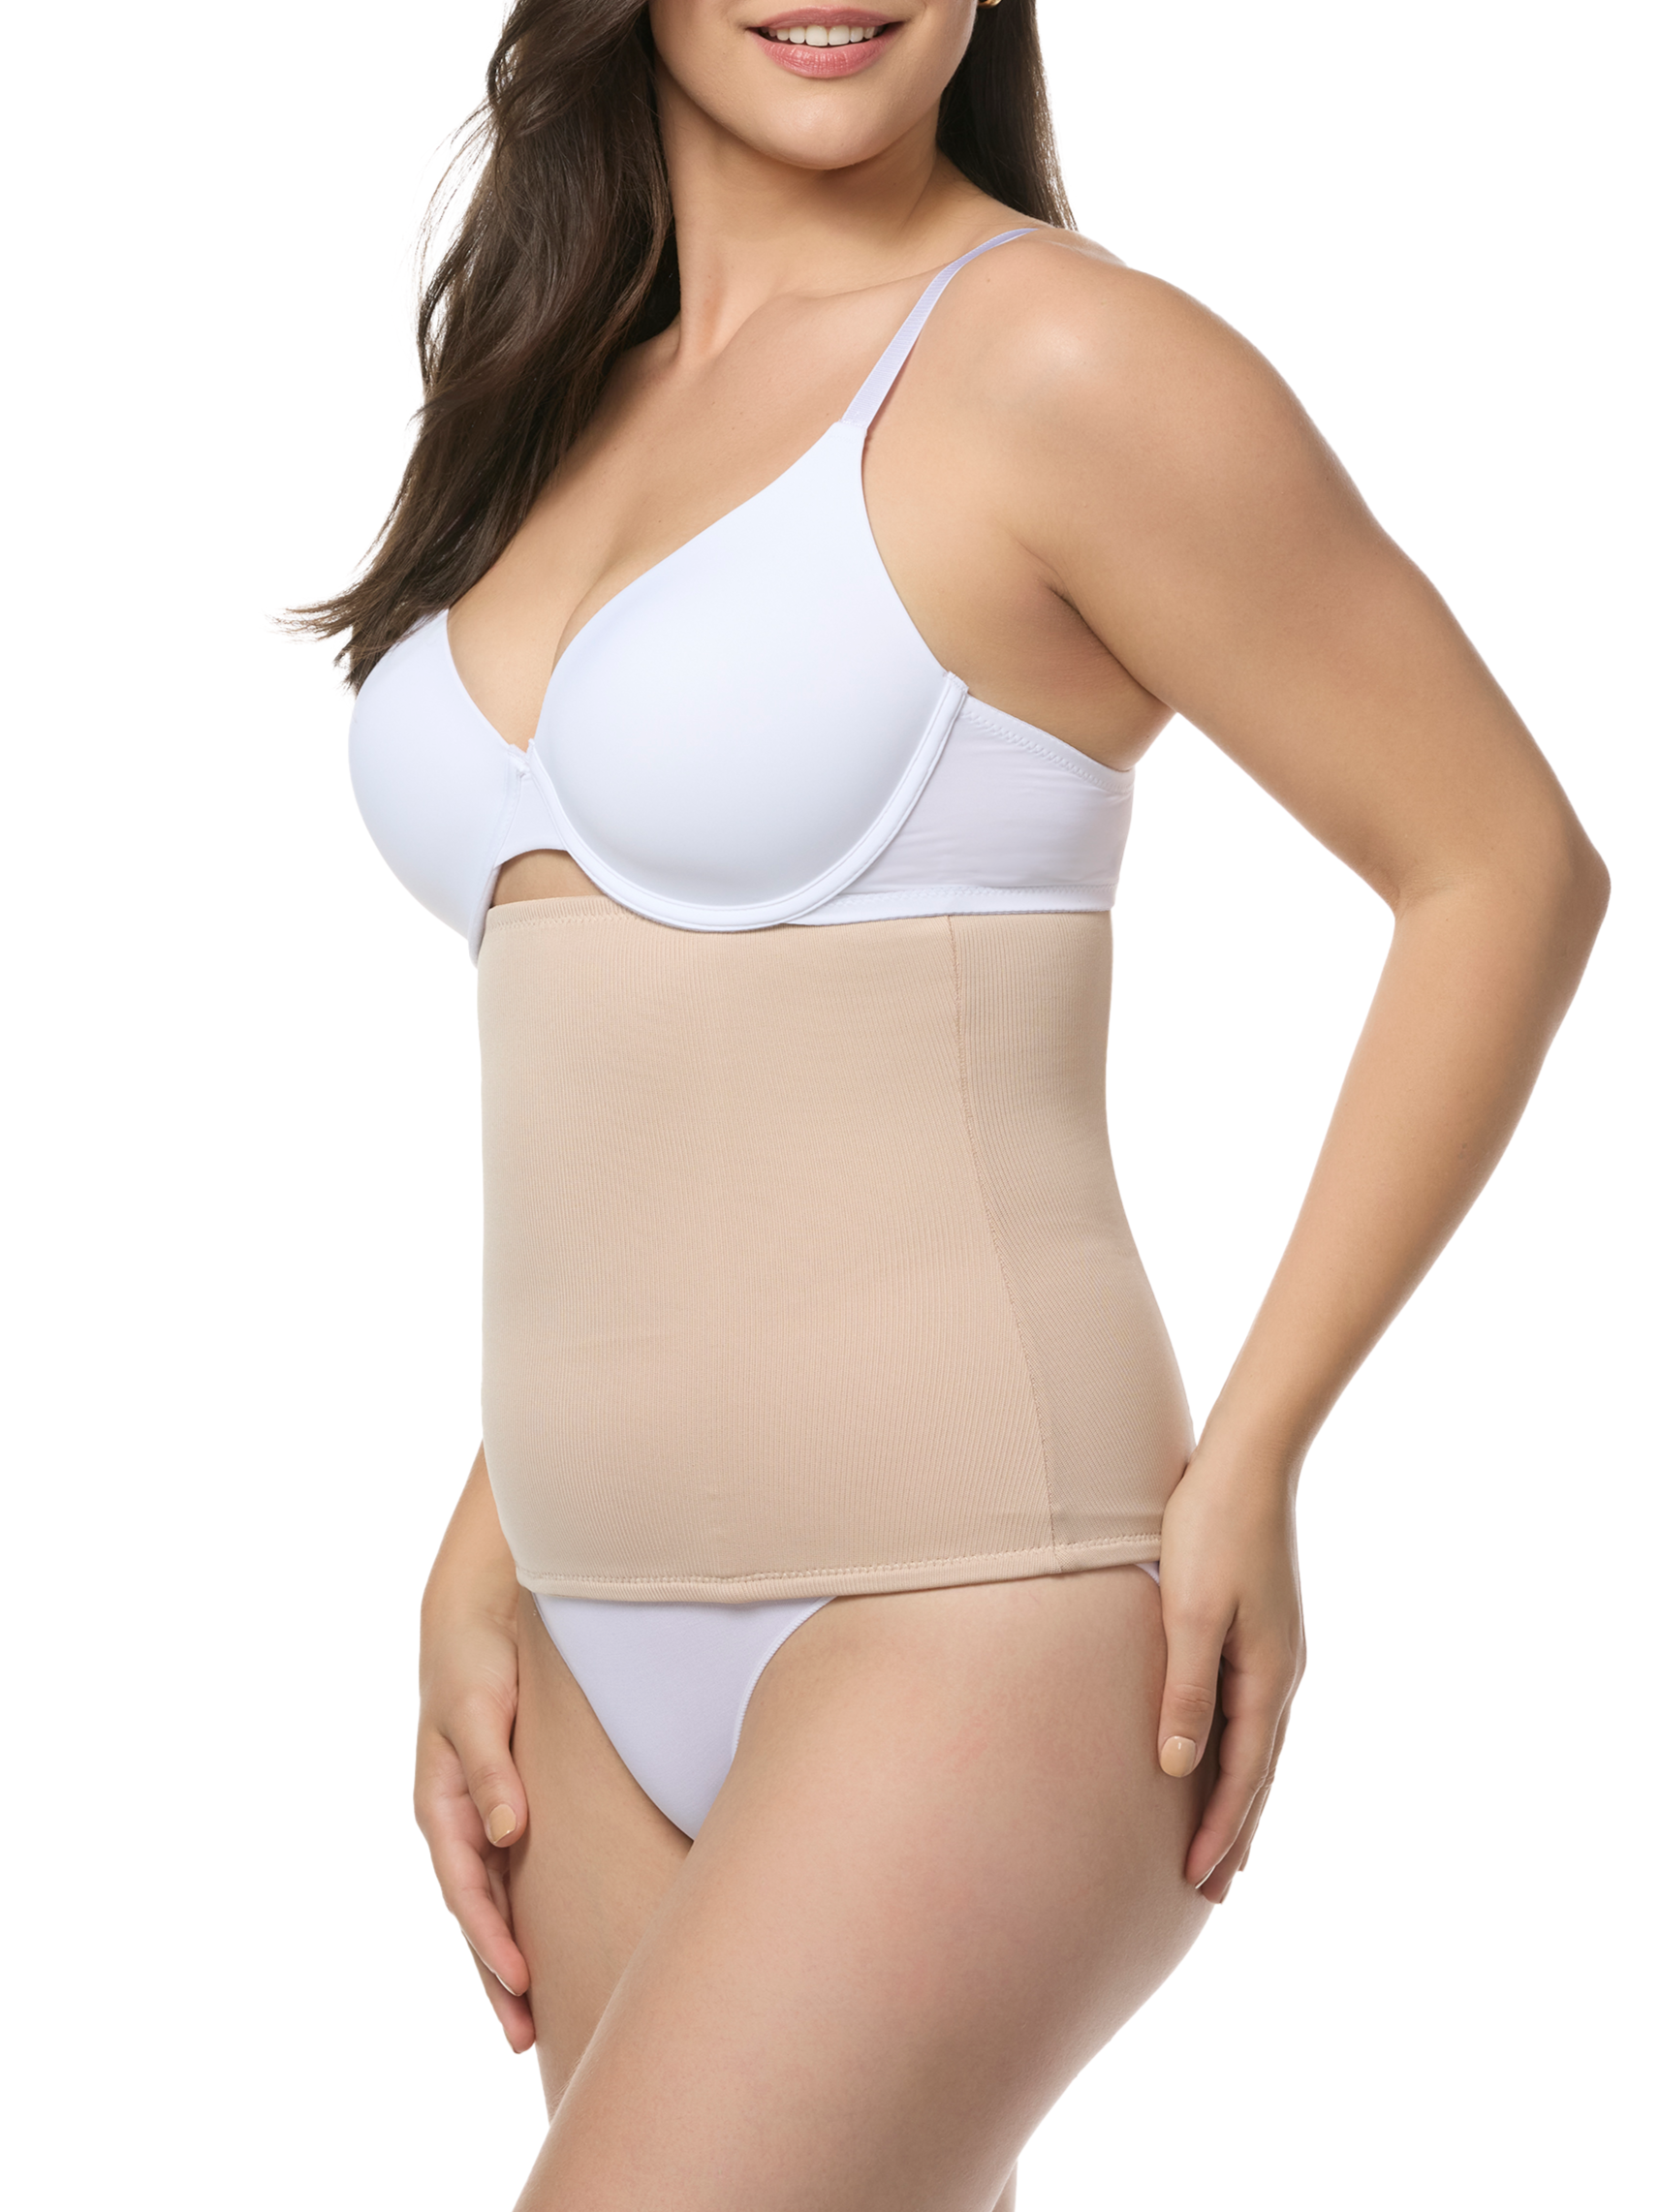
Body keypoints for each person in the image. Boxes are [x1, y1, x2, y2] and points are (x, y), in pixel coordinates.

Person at [304, 2, 1607, 2203]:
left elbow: (1500, 865)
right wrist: (489, 1529)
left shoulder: (1057, 363)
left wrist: (1256, 1455)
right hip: (582, 1631)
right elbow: (649, 1065)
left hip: (974, 1600)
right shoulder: (550, 401)